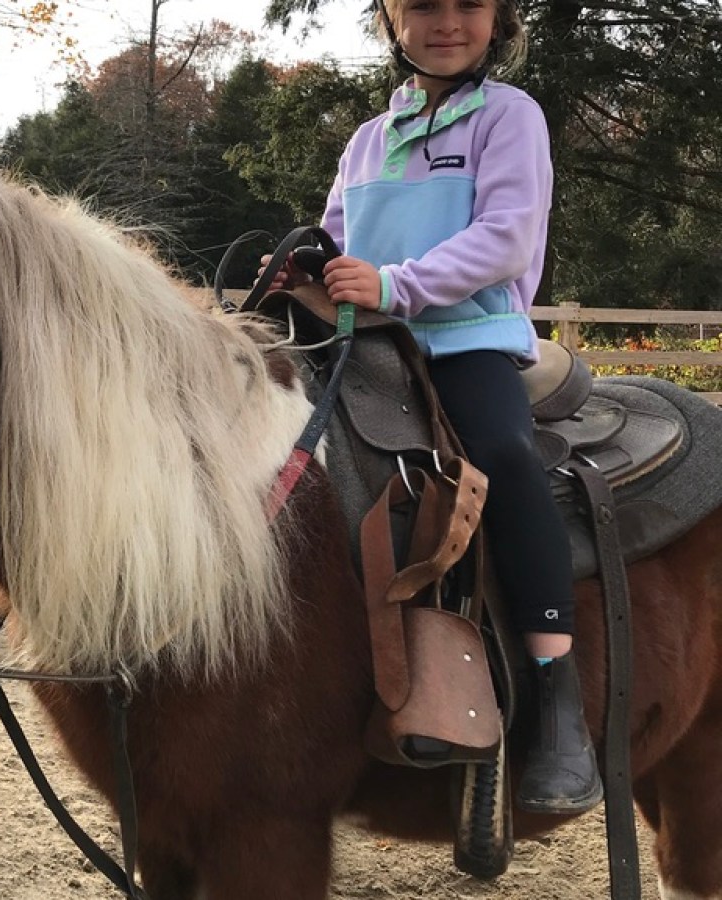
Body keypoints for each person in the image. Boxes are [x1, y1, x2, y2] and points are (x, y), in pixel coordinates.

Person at [262, 0, 602, 814]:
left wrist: (393, 284)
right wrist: (309, 270)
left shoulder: (511, 117)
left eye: (468, 5)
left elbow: (508, 238)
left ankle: (557, 695)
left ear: (498, 18)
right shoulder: (370, 137)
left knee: (505, 456)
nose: (445, 22)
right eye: (421, 6)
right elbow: (340, 238)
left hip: (467, 339)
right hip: (371, 345)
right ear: (391, 19)